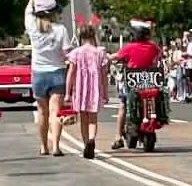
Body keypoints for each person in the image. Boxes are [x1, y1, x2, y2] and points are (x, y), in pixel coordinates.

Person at [25, 0, 72, 157]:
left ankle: (43, 146)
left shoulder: (32, 28)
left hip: (38, 74)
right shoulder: (60, 30)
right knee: (55, 112)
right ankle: (56, 146)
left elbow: (28, 11)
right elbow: (68, 53)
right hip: (57, 73)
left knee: (41, 112)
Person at [110, 20, 163, 150]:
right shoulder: (153, 47)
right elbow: (159, 56)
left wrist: (107, 57)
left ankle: (117, 136)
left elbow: (116, 57)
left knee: (123, 105)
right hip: (150, 83)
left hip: (132, 84)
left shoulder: (129, 47)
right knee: (155, 101)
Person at [65, 24, 108, 159]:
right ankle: (91, 139)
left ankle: (86, 144)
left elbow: (71, 73)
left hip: (80, 88)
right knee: (93, 118)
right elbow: (104, 75)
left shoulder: (75, 53)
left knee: (83, 118)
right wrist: (105, 93)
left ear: (81, 37)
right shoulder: (99, 53)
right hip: (95, 88)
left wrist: (68, 93)